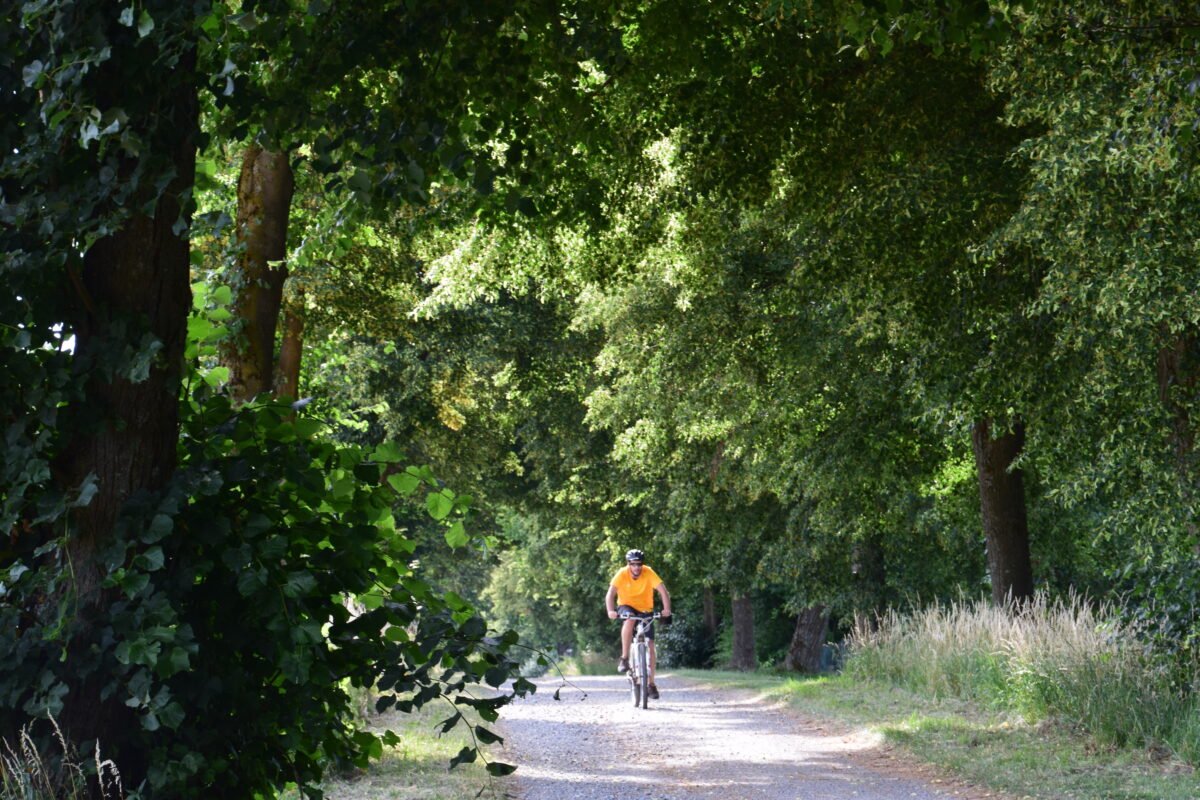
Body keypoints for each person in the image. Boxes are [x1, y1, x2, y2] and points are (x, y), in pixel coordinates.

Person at [605, 548, 671, 699]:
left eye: (639, 564)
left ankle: (651, 684)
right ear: (629, 564)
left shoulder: (648, 572)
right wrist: (610, 611)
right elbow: (610, 593)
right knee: (629, 620)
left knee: (651, 645)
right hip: (626, 606)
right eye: (633, 564)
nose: (637, 568)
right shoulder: (622, 573)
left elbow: (663, 591)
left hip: (645, 609)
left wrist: (666, 609)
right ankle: (624, 658)